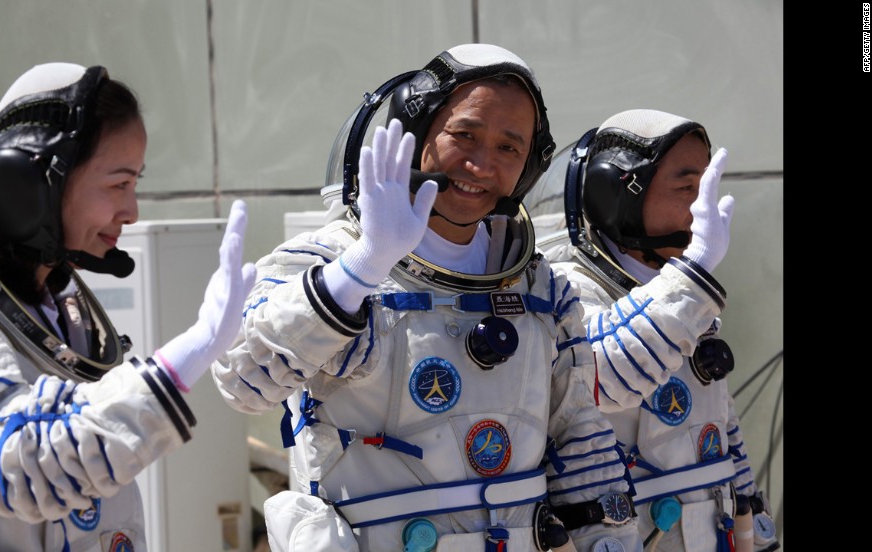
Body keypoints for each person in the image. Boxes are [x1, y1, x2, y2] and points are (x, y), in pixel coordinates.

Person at [213, 43, 642, 552]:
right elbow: (242, 380)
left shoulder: (541, 288)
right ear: (415, 132)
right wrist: (364, 266)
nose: (482, 164)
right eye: (464, 134)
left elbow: (581, 440)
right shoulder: (331, 261)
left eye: (509, 147)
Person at [0, 62, 256, 552]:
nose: (131, 211)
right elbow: (22, 465)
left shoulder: (61, 311)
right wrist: (181, 359)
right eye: (117, 184)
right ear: (30, 186)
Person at [537, 109, 780, 551]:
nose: (701, 204)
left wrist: (753, 525)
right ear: (619, 196)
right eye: (687, 187)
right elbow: (600, 376)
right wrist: (694, 274)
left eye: (707, 187)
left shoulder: (682, 294)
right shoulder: (564, 288)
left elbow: (722, 435)